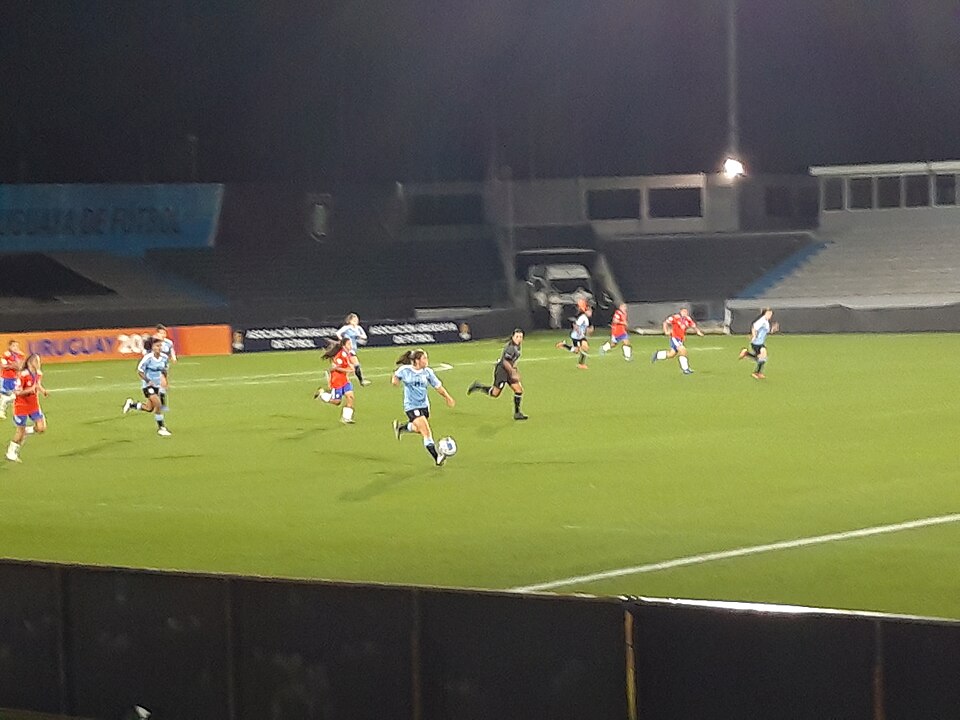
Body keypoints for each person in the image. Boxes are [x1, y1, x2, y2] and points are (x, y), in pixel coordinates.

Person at [391, 348, 455, 466]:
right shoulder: (405, 370)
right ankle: (437, 457)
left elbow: (438, 386)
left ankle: (402, 427)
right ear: (417, 361)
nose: (427, 360)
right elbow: (396, 377)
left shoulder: (428, 372)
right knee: (426, 432)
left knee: (418, 429)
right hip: (411, 406)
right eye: (424, 358)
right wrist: (395, 381)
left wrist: (447, 397)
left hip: (424, 406)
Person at [467, 328, 528, 420]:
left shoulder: (518, 346)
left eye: (520, 337)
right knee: (495, 394)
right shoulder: (510, 347)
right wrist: (513, 372)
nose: (518, 338)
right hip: (502, 372)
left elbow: (513, 361)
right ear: (512, 337)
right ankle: (478, 386)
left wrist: (515, 370)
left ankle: (517, 413)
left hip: (510, 371)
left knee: (519, 390)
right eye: (517, 336)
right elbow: (505, 362)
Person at [123, 340, 172, 435]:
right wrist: (148, 381)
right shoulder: (148, 358)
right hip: (148, 386)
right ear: (152, 347)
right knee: (158, 404)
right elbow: (140, 371)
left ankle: (131, 404)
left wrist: (165, 381)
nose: (159, 348)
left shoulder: (164, 358)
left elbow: (164, 370)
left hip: (157, 385)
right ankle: (161, 428)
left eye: (160, 346)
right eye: (157, 346)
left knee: (149, 408)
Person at [6, 354, 49, 462]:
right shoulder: (22, 375)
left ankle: (28, 430)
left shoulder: (38, 373)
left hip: (34, 405)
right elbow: (17, 392)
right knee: (19, 433)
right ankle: (11, 452)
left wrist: (43, 390)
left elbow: (37, 384)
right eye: (37, 361)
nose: (39, 364)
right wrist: (30, 390)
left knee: (41, 428)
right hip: (21, 406)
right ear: (30, 363)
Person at [313, 337, 357, 423]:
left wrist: (350, 368)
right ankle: (322, 394)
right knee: (337, 402)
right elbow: (335, 368)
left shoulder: (347, 354)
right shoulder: (340, 356)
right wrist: (349, 370)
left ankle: (346, 418)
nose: (350, 345)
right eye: (349, 344)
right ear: (344, 345)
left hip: (345, 380)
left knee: (350, 397)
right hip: (337, 381)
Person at [651, 307, 704, 374]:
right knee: (683, 350)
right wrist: (666, 331)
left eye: (686, 312)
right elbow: (665, 323)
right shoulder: (675, 317)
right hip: (675, 338)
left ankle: (657, 355)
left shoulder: (688, 319)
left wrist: (698, 332)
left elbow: (693, 326)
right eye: (683, 311)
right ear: (680, 312)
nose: (685, 313)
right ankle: (685, 369)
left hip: (681, 339)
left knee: (671, 354)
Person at [739, 308, 778, 379]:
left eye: (771, 314)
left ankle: (747, 354)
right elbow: (754, 327)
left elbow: (766, 331)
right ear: (764, 313)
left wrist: (773, 329)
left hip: (760, 343)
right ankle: (756, 373)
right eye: (768, 313)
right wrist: (753, 336)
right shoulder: (762, 321)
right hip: (756, 343)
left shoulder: (766, 322)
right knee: (763, 356)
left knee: (761, 358)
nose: (770, 315)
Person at [335, 313, 371, 386]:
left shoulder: (358, 328)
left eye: (356, 319)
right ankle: (361, 381)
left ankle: (339, 379)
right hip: (347, 349)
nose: (356, 321)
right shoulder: (346, 327)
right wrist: (342, 341)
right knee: (356, 364)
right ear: (350, 320)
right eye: (354, 319)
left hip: (353, 348)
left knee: (347, 365)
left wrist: (358, 336)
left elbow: (365, 336)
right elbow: (338, 333)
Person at [556, 304, 592, 369]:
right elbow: (575, 325)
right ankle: (581, 364)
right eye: (589, 311)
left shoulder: (586, 319)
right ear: (585, 311)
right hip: (576, 336)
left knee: (580, 349)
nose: (590, 313)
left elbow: (585, 328)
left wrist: (588, 331)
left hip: (581, 337)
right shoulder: (582, 317)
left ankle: (563, 345)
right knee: (580, 349)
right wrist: (578, 332)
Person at [0, 339, 25, 420]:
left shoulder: (20, 355)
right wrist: (14, 366)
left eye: (17, 346)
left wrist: (11, 365)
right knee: (9, 395)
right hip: (6, 378)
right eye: (13, 346)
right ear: (9, 346)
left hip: (15, 378)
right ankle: (1, 411)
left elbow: (20, 367)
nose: (16, 348)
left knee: (17, 396)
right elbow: (3, 366)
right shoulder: (6, 355)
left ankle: (16, 412)